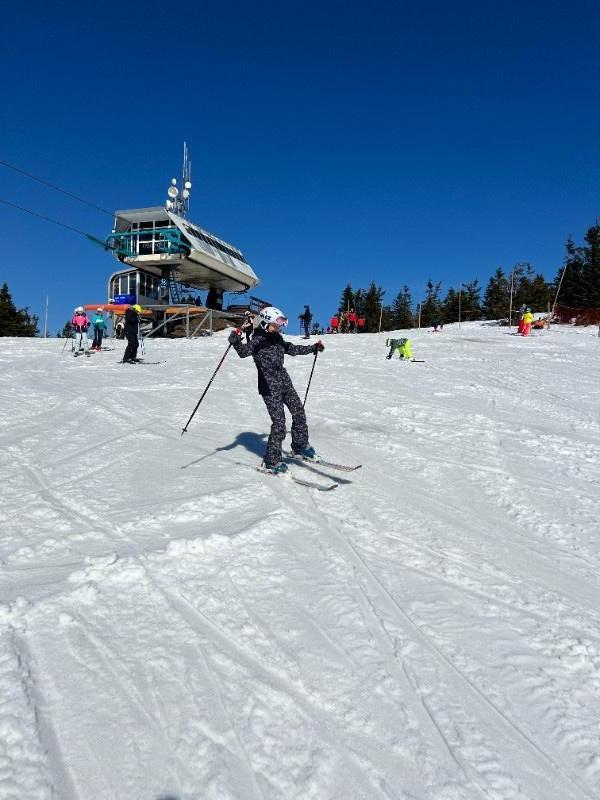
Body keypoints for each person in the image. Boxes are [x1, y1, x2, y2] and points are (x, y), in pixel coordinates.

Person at [228, 305, 324, 474]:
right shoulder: (258, 340)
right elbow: (243, 352)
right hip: (268, 385)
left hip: (284, 381)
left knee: (299, 412)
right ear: (265, 323)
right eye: (275, 325)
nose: (278, 328)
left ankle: (300, 445)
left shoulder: (277, 338)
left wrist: (312, 348)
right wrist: (236, 339)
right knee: (279, 423)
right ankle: (272, 462)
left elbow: (292, 348)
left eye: (279, 326)